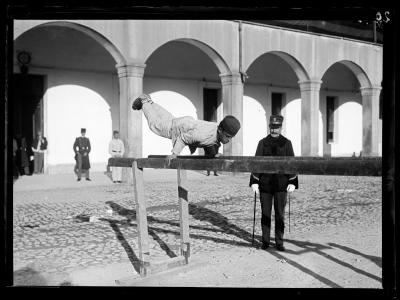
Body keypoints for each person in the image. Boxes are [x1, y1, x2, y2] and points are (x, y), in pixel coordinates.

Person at [132, 94, 241, 164]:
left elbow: (210, 143)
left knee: (167, 118)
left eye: (231, 137)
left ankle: (150, 102)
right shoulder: (203, 135)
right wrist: (174, 154)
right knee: (155, 125)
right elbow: (183, 138)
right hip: (178, 129)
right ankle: (144, 102)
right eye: (227, 136)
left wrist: (213, 154)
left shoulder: (215, 129)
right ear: (220, 130)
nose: (228, 140)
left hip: (185, 123)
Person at [249, 115, 298, 252]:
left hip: (281, 184)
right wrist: (254, 181)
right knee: (265, 213)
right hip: (265, 184)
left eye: (276, 127)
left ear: (281, 127)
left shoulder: (287, 143)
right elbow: (256, 162)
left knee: (280, 214)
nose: (274, 129)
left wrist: (293, 181)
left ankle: (279, 242)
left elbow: (292, 163)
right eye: (272, 127)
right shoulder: (262, 143)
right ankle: (265, 241)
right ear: (269, 126)